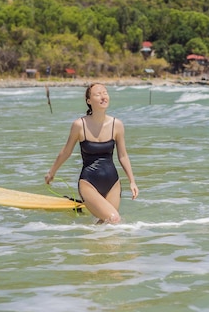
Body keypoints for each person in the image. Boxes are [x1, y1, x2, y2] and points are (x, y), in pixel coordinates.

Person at [45, 83, 139, 223]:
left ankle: (89, 242)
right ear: (89, 101)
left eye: (105, 93)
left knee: (107, 225)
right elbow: (66, 151)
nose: (103, 96)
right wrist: (52, 172)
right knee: (114, 218)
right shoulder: (80, 125)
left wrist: (132, 181)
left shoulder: (116, 125)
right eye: (97, 94)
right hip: (89, 183)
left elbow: (123, 155)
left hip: (112, 183)